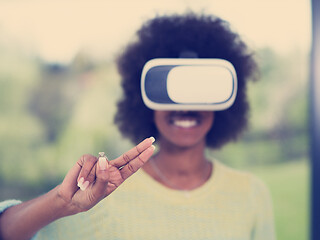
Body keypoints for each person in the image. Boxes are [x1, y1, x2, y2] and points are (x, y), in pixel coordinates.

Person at [0, 13, 275, 240]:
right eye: (169, 87)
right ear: (143, 97)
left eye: (200, 87)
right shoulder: (103, 195)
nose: (185, 106)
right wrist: (62, 202)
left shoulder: (251, 193)